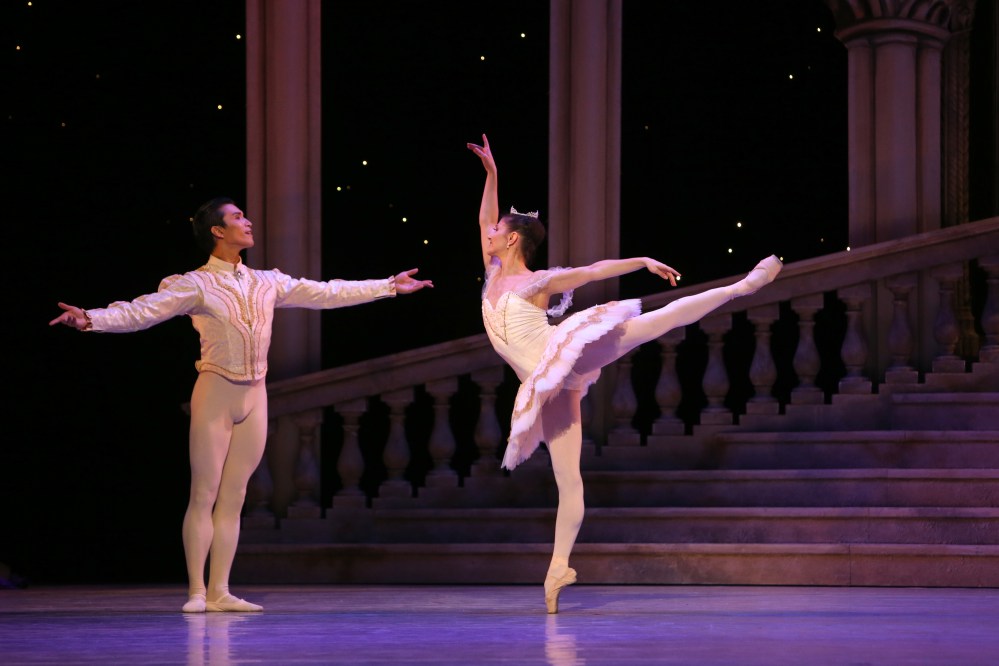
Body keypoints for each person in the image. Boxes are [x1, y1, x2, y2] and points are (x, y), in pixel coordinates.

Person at [49, 197, 433, 613]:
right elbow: (143, 311)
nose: (247, 222)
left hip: (255, 395)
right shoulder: (194, 284)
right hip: (216, 390)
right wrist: (90, 318)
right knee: (205, 492)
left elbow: (325, 292)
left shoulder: (266, 281)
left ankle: (220, 591)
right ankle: (197, 591)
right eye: (237, 217)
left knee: (235, 496)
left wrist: (388, 286)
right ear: (217, 231)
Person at [467, 135, 781, 613]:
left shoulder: (537, 282)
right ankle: (557, 571)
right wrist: (491, 174)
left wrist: (641, 261)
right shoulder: (493, 271)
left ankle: (744, 285)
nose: (486, 232)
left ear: (512, 239)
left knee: (656, 322)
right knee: (567, 480)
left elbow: (594, 270)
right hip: (545, 389)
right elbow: (485, 217)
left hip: (564, 354)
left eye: (497, 230)